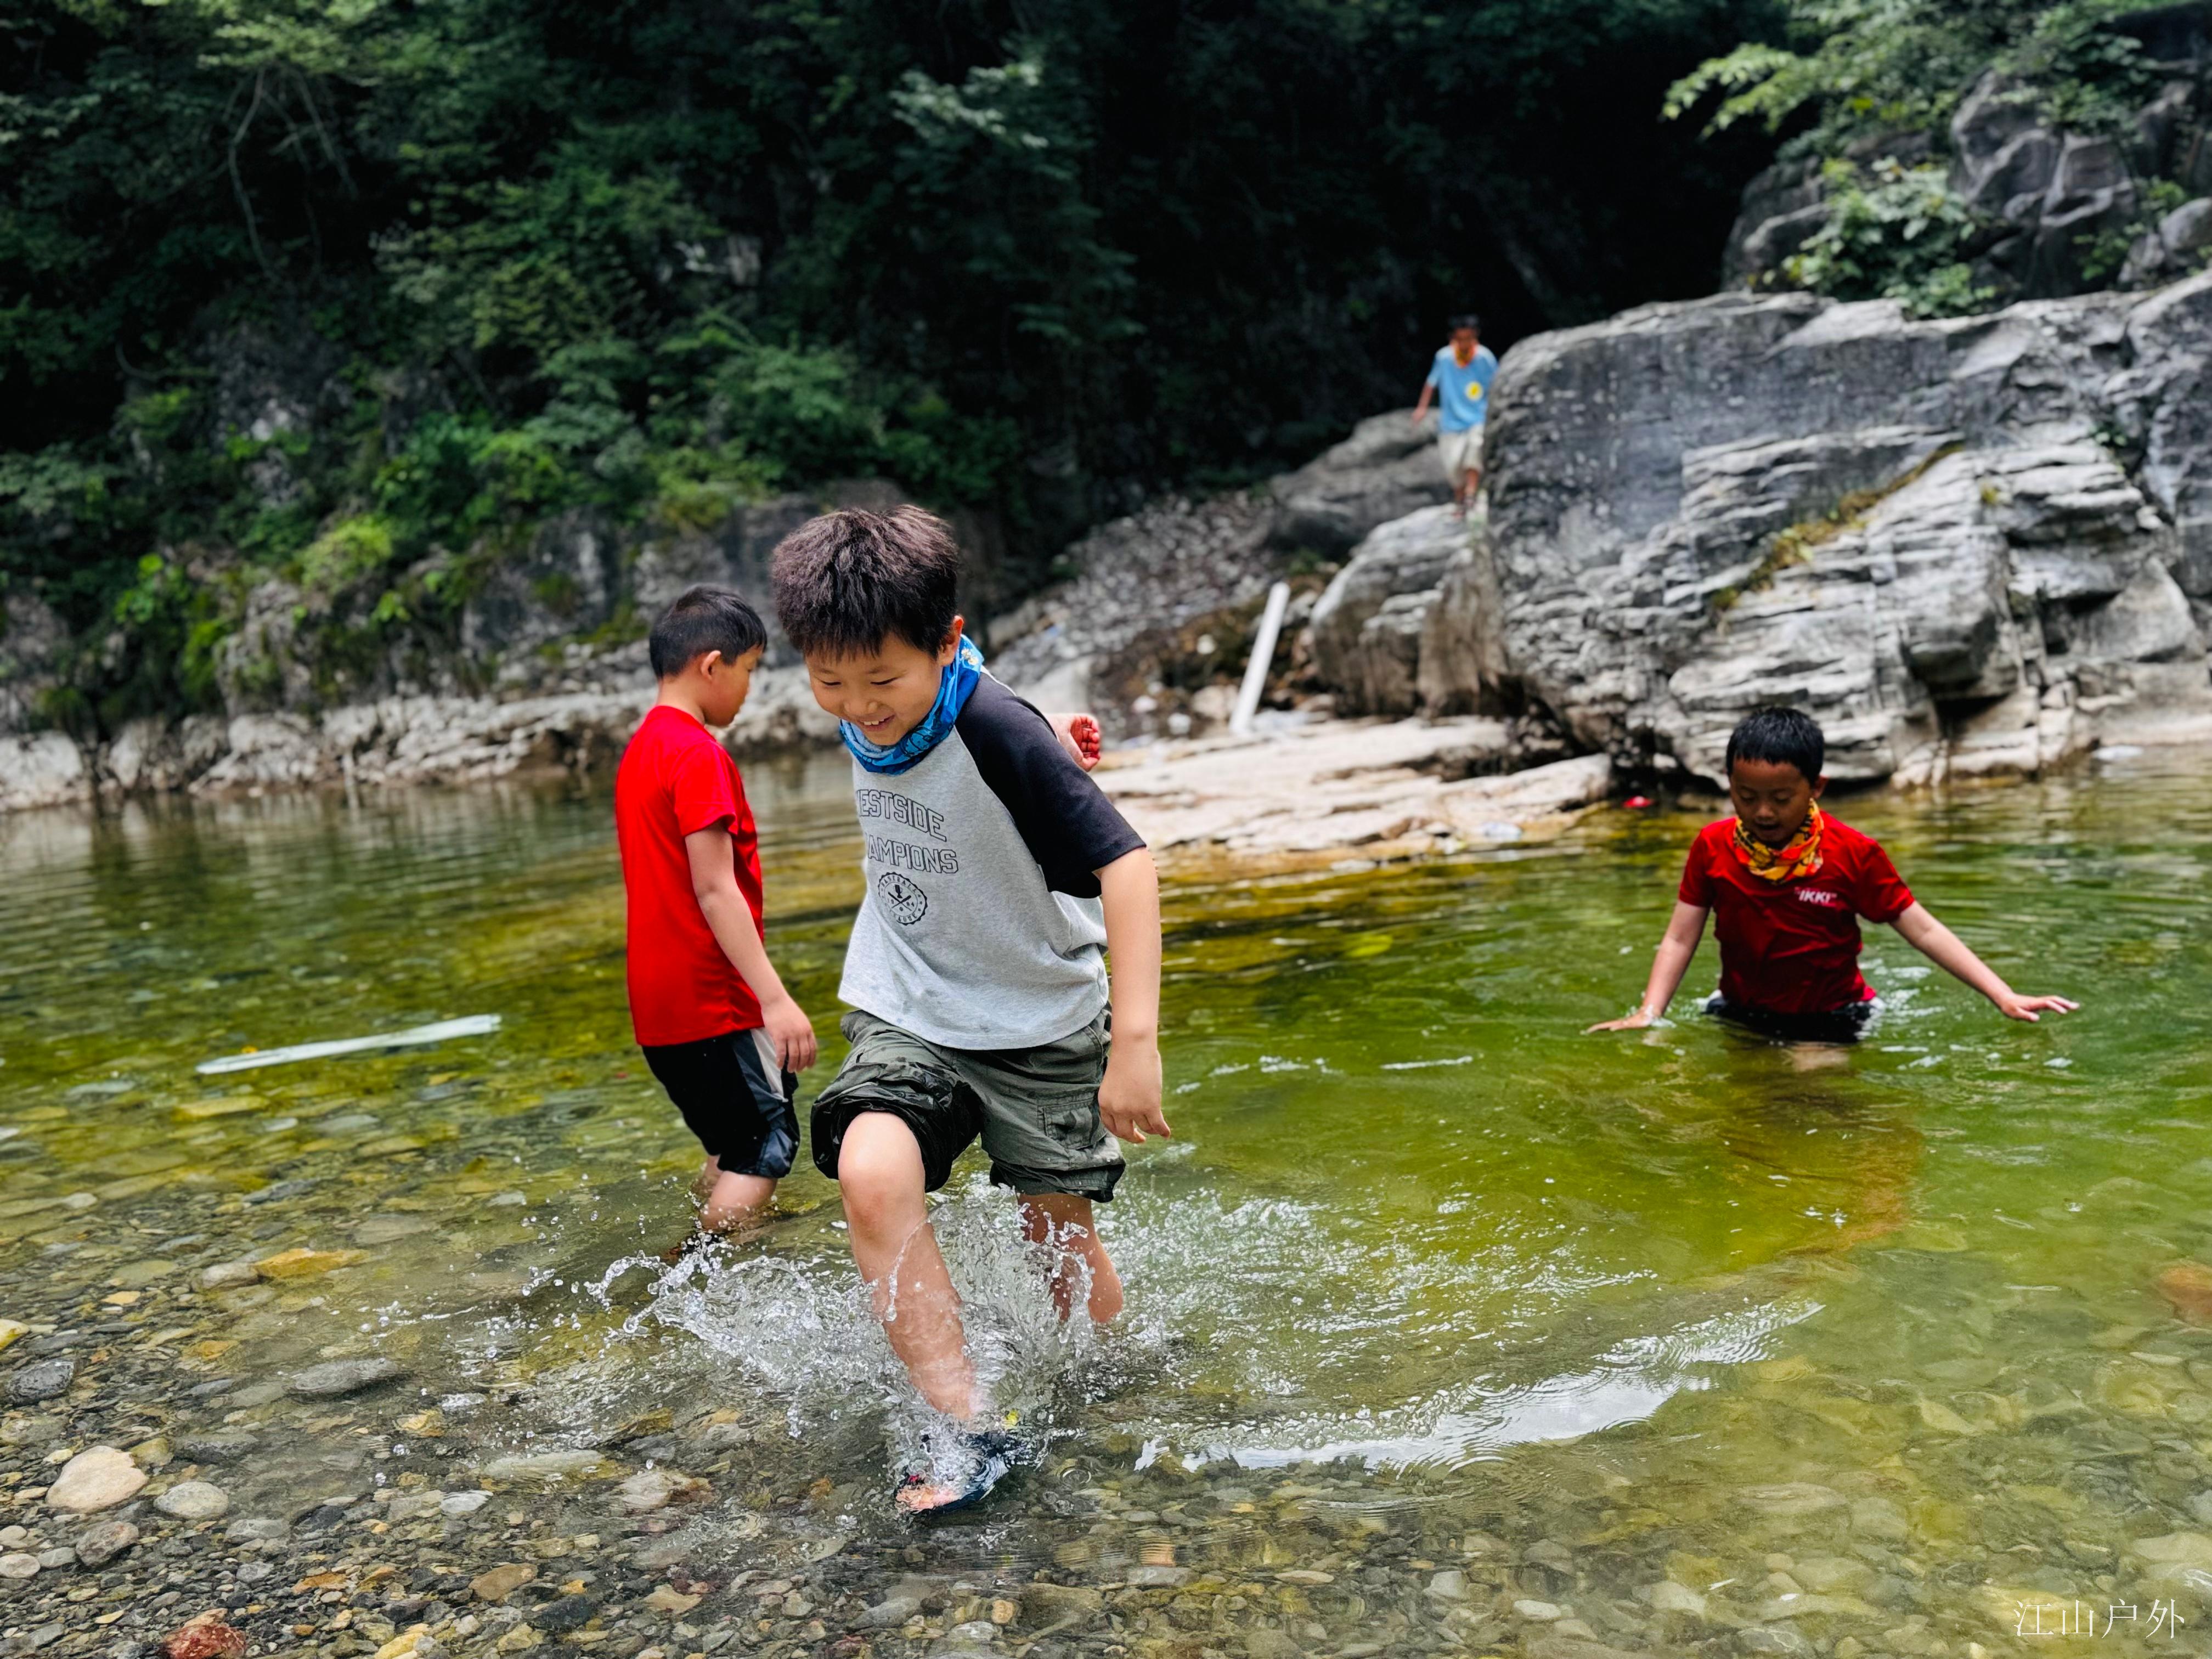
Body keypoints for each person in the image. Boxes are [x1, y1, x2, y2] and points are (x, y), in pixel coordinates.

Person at [770, 505, 1168, 1517]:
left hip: (1040, 1018)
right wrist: (1049, 725)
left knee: (1055, 1237)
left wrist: (1135, 1045)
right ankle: (964, 1424)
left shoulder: (992, 724)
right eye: (829, 683)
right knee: (870, 1169)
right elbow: (932, 683)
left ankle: (1120, 1382)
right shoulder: (890, 696)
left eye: (881, 681)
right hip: (911, 999)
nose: (860, 708)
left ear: (944, 646)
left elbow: (1128, 864)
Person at [1589, 706, 2078, 1044]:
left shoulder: (1853, 854)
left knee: (1810, 1091)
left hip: (1832, 1015)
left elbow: (1924, 930)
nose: (1762, 812)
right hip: (1741, 1010)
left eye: (1781, 798)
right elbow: (1680, 937)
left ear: (1816, 787)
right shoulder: (1712, 846)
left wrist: (2002, 994)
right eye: (1745, 796)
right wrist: (1649, 1012)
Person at [614, 586, 820, 1244]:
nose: (750, 688)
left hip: (659, 1005)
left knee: (732, 1142)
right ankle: (695, 1271)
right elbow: (715, 890)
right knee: (765, 1145)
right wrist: (775, 1000)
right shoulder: (697, 754)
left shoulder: (641, 750)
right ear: (711, 666)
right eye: (749, 670)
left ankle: (732, 1241)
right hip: (713, 999)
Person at [1410, 312, 1498, 518]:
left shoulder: (1484, 357)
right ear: (1454, 338)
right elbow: (1431, 383)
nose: (1465, 343)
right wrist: (1422, 408)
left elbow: (1496, 383)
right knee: (1453, 466)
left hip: (1477, 417)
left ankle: (1470, 495)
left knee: (1474, 450)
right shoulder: (1445, 358)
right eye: (1461, 339)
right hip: (1450, 421)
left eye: (1468, 338)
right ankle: (1461, 502)